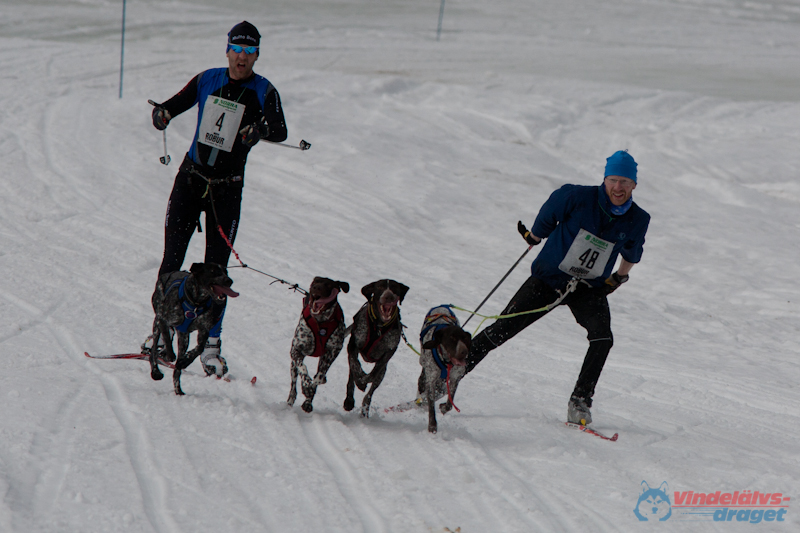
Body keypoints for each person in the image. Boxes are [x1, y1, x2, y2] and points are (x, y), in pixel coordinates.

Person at [141, 21, 288, 375]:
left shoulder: (264, 90)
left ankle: (211, 345)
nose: (242, 57)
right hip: (191, 181)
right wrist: (161, 114)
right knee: (171, 261)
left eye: (249, 51)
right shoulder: (207, 78)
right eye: (237, 49)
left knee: (217, 274)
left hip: (226, 188)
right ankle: (159, 334)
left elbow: (280, 129)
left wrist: (260, 130)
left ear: (257, 55)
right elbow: (173, 105)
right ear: (227, 50)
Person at [463, 150, 650, 425]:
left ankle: (580, 402)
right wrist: (535, 235)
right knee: (500, 331)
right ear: (605, 179)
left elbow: (633, 253)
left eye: (624, 181)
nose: (618, 188)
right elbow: (550, 213)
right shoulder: (576, 196)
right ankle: (446, 378)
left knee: (602, 338)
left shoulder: (638, 218)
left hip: (588, 287)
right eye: (613, 180)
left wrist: (618, 278)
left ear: (634, 184)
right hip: (550, 278)